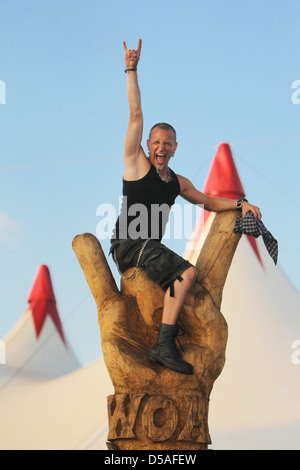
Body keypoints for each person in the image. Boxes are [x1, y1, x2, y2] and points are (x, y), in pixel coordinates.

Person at [110, 39, 262, 375]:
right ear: (147, 146)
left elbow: (208, 201)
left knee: (186, 276)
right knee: (187, 272)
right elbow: (135, 113)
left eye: (167, 144)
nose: (161, 148)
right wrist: (131, 70)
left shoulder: (176, 183)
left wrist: (240, 203)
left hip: (150, 249)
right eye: (156, 143)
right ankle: (163, 345)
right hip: (129, 245)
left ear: (175, 148)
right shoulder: (137, 163)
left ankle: (165, 338)